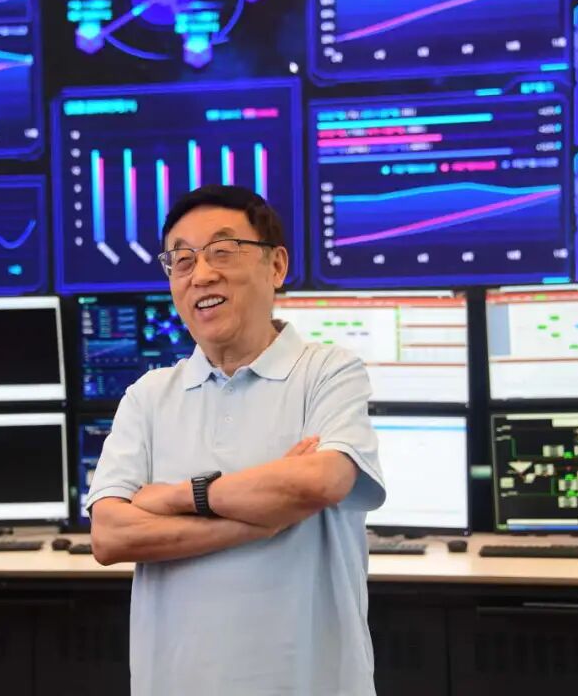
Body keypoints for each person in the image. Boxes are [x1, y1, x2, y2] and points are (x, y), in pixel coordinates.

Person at [87, 185, 386, 696]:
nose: (201, 274)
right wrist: (264, 520)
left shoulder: (329, 371)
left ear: (276, 266)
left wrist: (175, 497)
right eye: (182, 260)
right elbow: (111, 536)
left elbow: (323, 481)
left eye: (223, 251)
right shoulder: (148, 396)